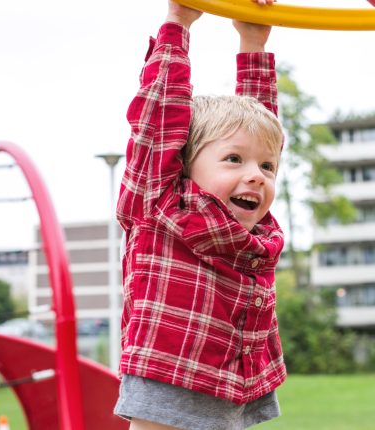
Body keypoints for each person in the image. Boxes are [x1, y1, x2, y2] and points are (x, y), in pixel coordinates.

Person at [114, 1, 286, 429]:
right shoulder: (161, 206)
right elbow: (158, 119)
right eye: (233, 160)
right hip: (169, 382)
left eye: (267, 168)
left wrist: (252, 42)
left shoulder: (254, 232)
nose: (257, 176)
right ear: (184, 163)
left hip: (232, 388)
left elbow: (261, 131)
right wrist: (180, 22)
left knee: (256, 137)